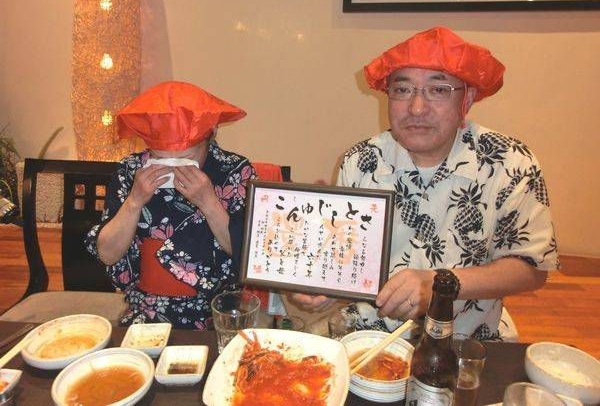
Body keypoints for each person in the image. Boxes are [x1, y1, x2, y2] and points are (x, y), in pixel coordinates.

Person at [290, 27, 558, 340]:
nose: (417, 108)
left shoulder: (509, 162)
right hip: (368, 333)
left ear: (467, 99)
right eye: (403, 90)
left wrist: (442, 282)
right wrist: (320, 281)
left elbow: (532, 268)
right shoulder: (361, 160)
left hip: (465, 336)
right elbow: (346, 257)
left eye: (438, 90)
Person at [85, 81, 255, 329]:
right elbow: (108, 255)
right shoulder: (131, 170)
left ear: (211, 135)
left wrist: (209, 203)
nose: (173, 168)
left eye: (185, 159)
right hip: (146, 312)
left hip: (218, 312)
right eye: (160, 158)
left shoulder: (235, 171)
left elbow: (248, 253)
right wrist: (134, 201)